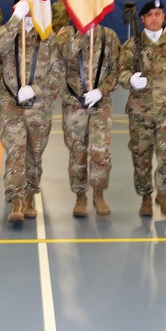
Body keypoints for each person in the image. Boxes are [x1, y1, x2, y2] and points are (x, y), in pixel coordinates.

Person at [0, 0, 63, 223]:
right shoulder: (6, 32)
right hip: (11, 102)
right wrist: (15, 20)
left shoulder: (49, 37)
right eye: (26, 5)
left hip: (40, 105)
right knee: (15, 151)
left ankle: (31, 192)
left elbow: (58, 72)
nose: (31, 10)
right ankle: (17, 200)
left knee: (35, 151)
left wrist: (36, 90)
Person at [118, 0, 166, 216]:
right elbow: (120, 72)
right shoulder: (132, 45)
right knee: (141, 157)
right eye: (149, 14)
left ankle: (163, 194)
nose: (154, 18)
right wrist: (130, 79)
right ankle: (145, 197)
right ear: (142, 18)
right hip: (140, 112)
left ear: (163, 16)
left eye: (158, 13)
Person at [60, 22, 121, 217]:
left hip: (100, 102)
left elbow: (116, 69)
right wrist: (81, 32)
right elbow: (65, 55)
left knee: (99, 150)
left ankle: (99, 193)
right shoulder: (65, 33)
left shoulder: (109, 35)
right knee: (77, 151)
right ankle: (80, 195)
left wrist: (101, 91)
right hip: (74, 102)